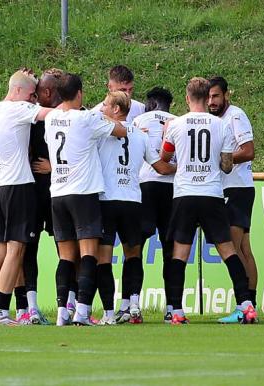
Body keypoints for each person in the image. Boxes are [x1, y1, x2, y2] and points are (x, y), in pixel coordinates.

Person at [160, 77, 256, 325]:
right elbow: (226, 166)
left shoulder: (175, 125)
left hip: (184, 194)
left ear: (187, 98)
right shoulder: (220, 125)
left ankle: (177, 310)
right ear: (207, 97)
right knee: (229, 251)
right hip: (212, 193)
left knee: (179, 254)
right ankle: (246, 304)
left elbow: (165, 157)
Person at [0, 68, 53, 326]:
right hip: (19, 187)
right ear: (18, 91)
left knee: (1, 251)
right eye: (31, 95)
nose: (33, 100)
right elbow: (56, 112)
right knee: (16, 250)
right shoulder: (19, 109)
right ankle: (1, 311)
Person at [44, 73, 126, 326]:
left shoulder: (51, 118)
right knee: (89, 253)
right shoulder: (87, 119)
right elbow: (120, 130)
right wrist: (105, 111)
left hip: (58, 193)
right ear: (79, 93)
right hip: (83, 193)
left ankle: (61, 312)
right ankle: (82, 311)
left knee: (66, 256)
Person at [96, 91, 175, 325]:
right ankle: (133, 305)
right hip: (132, 202)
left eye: (106, 106)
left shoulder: (101, 130)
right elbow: (160, 167)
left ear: (117, 110)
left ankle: (109, 313)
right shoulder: (139, 136)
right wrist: (181, 169)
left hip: (108, 200)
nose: (102, 109)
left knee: (104, 259)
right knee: (133, 255)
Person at [207, 76, 259, 323]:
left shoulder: (235, 116)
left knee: (234, 248)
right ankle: (251, 306)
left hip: (236, 188)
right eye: (208, 97)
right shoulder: (214, 120)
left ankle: (244, 306)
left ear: (226, 95)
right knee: (244, 249)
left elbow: (248, 150)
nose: (211, 101)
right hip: (237, 188)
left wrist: (222, 160)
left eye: (215, 96)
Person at [19, 68, 66, 325]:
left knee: (66, 248)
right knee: (29, 248)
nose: (34, 97)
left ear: (47, 92)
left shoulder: (69, 116)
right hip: (36, 191)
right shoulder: (31, 116)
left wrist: (55, 166)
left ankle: (67, 305)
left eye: (37, 92)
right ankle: (31, 307)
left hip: (59, 190)